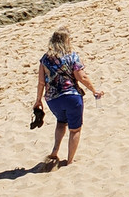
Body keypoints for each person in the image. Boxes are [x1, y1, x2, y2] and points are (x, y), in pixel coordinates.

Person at [33, 27, 103, 167]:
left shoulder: (45, 59)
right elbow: (81, 76)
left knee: (61, 122)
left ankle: (55, 151)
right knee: (75, 129)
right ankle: (70, 160)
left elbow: (41, 82)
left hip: (52, 99)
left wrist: (38, 100)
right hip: (71, 96)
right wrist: (94, 91)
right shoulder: (72, 56)